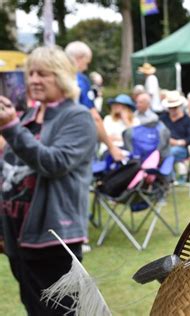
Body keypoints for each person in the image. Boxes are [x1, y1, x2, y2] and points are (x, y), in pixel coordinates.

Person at [0, 46, 96, 315]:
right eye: (30, 73)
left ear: (62, 76)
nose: (33, 80)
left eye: (43, 74)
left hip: (54, 236)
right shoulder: (28, 117)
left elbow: (54, 163)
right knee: (34, 309)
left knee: (62, 312)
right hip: (19, 237)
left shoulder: (77, 117)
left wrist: (10, 129)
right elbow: (8, 172)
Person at [65, 41, 123, 161]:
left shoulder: (54, 78)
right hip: (79, 141)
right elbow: (94, 117)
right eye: (86, 63)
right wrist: (111, 147)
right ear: (79, 58)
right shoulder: (80, 80)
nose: (86, 67)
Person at [160, 91, 190, 182]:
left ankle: (169, 179)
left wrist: (177, 142)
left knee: (169, 153)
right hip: (164, 146)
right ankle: (169, 178)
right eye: (170, 107)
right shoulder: (162, 119)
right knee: (163, 153)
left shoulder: (187, 120)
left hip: (181, 149)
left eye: (175, 107)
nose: (173, 109)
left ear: (179, 106)